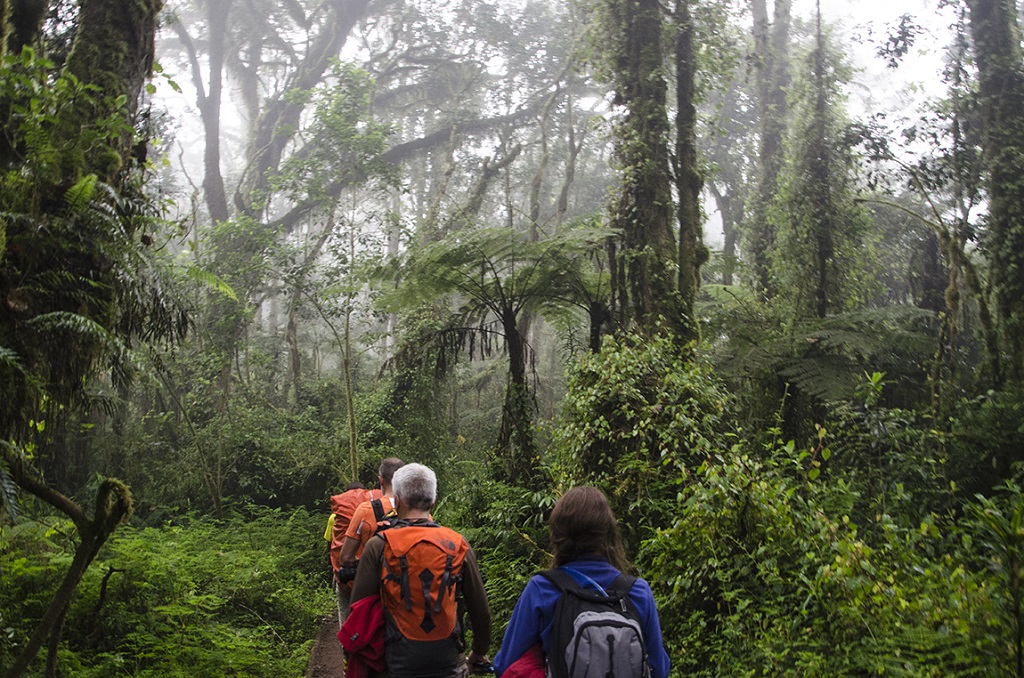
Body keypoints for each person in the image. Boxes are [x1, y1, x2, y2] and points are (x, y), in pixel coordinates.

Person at [492, 486, 670, 678]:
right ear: (608, 533)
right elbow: (658, 669)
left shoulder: (543, 589)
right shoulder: (638, 591)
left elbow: (506, 665)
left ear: (558, 534)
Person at [350, 463, 492, 678]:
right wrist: (479, 652)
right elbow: (480, 611)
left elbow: (358, 610)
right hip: (448, 665)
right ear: (433, 501)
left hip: (394, 665)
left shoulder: (379, 545)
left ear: (397, 500)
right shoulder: (457, 544)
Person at [338, 457, 405, 574]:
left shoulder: (366, 510)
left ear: (380, 481)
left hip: (375, 583)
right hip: (409, 585)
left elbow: (345, 558)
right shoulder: (419, 512)